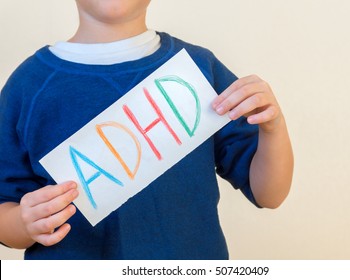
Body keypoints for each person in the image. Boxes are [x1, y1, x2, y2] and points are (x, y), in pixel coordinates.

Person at [0, 0, 293, 259]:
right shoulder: (28, 86)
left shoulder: (200, 69)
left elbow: (268, 193)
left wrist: (273, 128)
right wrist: (23, 224)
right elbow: (5, 212)